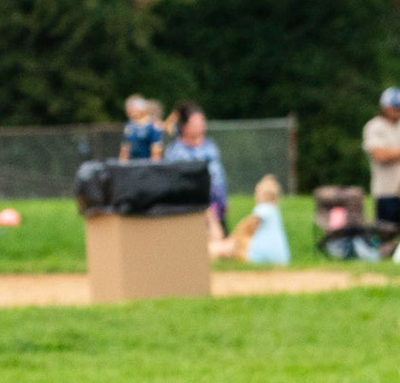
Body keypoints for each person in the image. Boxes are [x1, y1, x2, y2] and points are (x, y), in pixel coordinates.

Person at [163, 102, 228, 238]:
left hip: (217, 209)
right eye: (196, 123)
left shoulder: (210, 147)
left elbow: (219, 177)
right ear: (183, 126)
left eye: (202, 122)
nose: (201, 126)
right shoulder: (175, 152)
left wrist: (223, 202)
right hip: (191, 212)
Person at [362, 88, 400, 227]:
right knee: (386, 234)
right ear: (385, 107)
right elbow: (379, 155)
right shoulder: (374, 126)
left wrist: (392, 154)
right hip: (386, 192)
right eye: (396, 107)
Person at [210, 175, 291, 264]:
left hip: (262, 254)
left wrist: (233, 238)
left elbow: (248, 226)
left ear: (261, 193)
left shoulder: (263, 208)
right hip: (280, 256)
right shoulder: (274, 210)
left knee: (226, 247)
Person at [120, 95, 164, 162]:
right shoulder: (129, 126)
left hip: (147, 166)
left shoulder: (153, 126)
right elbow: (125, 149)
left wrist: (154, 169)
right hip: (133, 166)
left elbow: (156, 152)